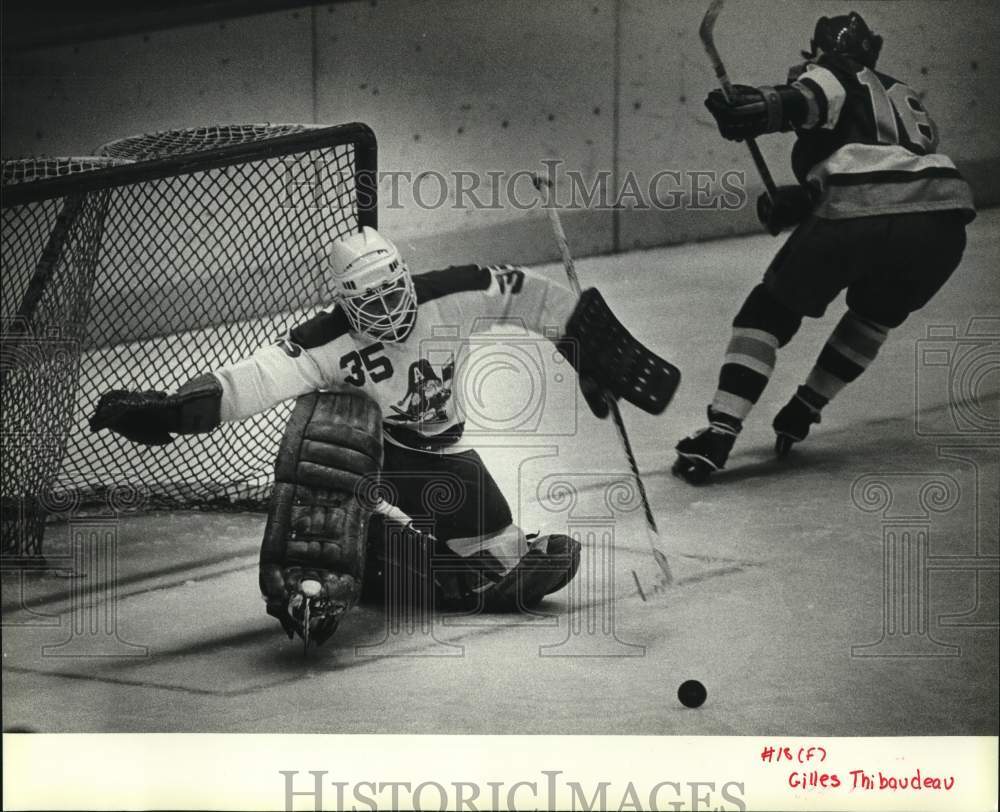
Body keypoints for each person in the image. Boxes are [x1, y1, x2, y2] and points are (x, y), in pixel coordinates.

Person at [90, 226, 678, 646]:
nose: (390, 311)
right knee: (331, 432)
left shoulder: (451, 291)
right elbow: (252, 381)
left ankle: (378, 556)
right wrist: (173, 411)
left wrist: (590, 351)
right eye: (371, 303)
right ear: (345, 303)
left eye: (395, 293)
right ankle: (309, 579)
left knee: (499, 565)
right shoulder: (326, 340)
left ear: (405, 278)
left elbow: (532, 295)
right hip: (372, 455)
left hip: (442, 455)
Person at [673, 11, 976, 484]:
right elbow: (887, 164)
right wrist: (805, 198)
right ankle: (803, 409)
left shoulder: (833, 71)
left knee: (766, 315)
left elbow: (806, 101)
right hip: (943, 221)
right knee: (872, 317)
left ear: (818, 51)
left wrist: (759, 107)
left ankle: (719, 431)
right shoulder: (902, 93)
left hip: (861, 210)